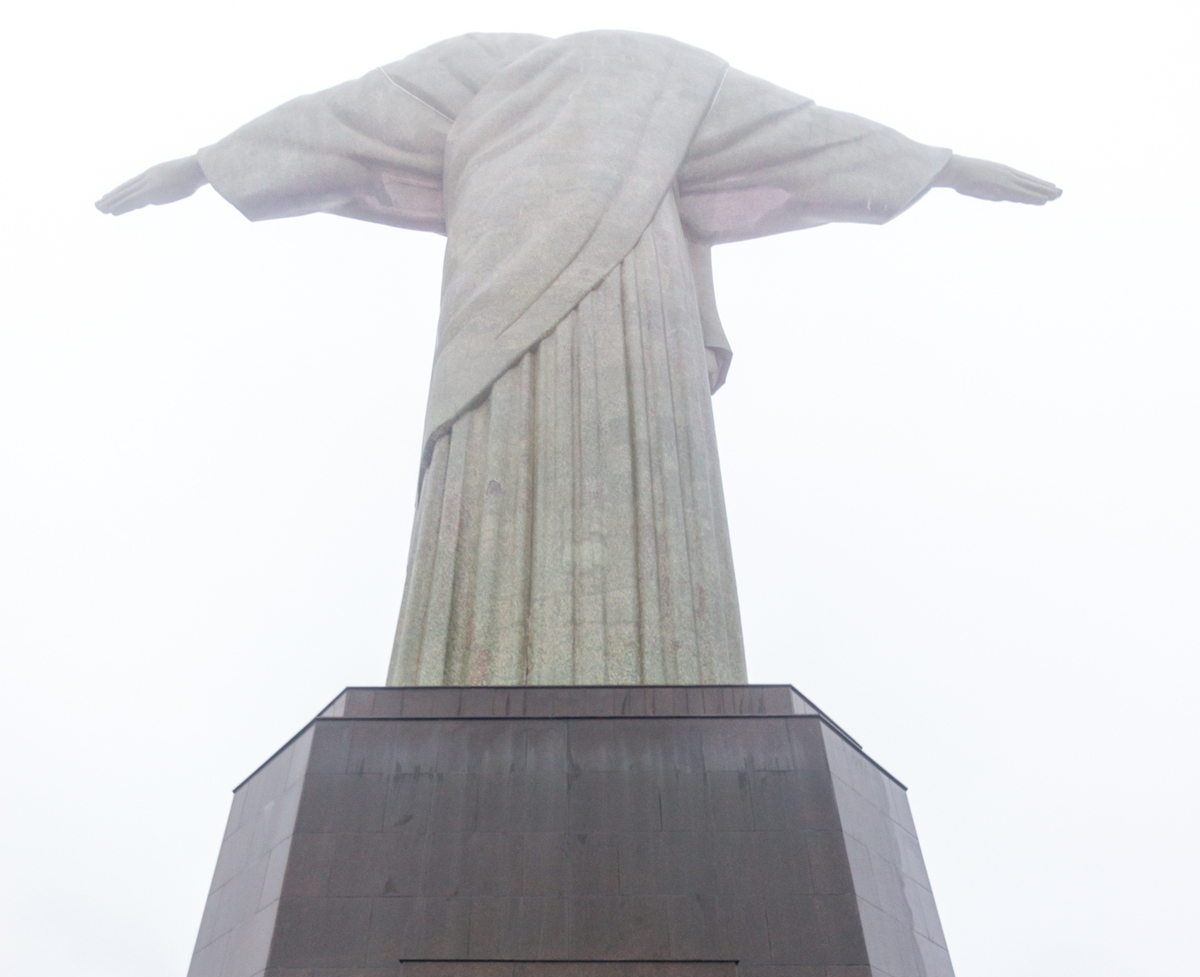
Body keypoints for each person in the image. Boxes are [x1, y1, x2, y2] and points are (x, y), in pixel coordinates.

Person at [96, 31, 1059, 690]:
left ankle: (666, 673)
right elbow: (341, 121)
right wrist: (208, 166)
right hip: (489, 310)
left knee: (644, 473)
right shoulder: (471, 66)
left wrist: (939, 166)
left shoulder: (661, 71)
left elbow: (798, 130)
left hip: (639, 301)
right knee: (491, 466)